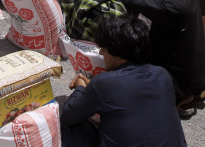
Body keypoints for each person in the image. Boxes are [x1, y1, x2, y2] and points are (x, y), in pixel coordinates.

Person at [60, 17, 187, 147]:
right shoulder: (162, 75)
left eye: (104, 49)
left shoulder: (103, 84)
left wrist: (80, 88)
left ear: (121, 57)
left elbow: (69, 115)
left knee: (69, 123)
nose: (100, 52)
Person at [117, 0, 205, 117]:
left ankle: (183, 100)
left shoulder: (176, 6)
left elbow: (132, 1)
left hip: (180, 77)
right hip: (190, 68)